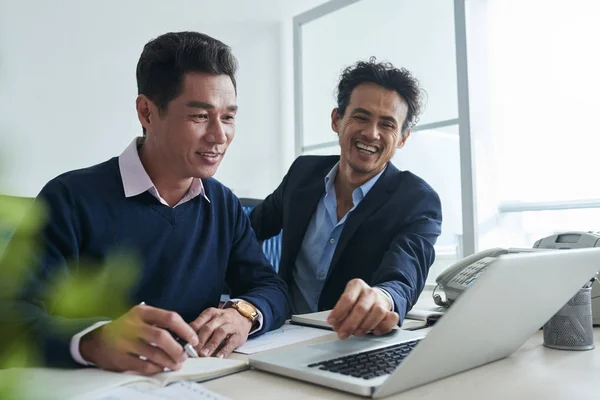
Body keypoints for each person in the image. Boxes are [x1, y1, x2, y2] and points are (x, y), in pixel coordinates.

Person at [0, 31, 290, 374]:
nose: (219, 135)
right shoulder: (69, 199)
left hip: (199, 383)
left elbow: (271, 287)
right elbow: (12, 316)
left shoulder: (222, 203)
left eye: (228, 117)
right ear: (147, 112)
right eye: (200, 116)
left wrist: (243, 314)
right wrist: (94, 341)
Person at [249, 58, 442, 340]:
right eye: (361, 117)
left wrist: (382, 298)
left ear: (402, 138)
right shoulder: (302, 174)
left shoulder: (417, 200)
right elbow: (246, 232)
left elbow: (404, 275)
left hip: (349, 341)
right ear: (337, 120)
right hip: (279, 333)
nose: (371, 133)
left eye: (387, 124)